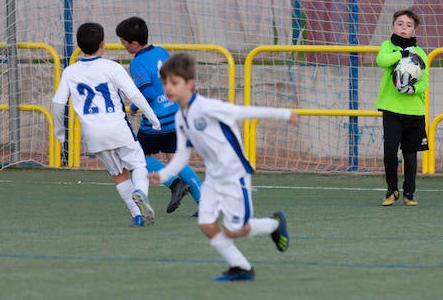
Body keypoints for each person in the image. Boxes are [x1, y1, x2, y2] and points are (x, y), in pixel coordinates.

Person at [148, 53, 298, 281]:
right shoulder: (181, 117)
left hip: (235, 175)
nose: (168, 88)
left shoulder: (207, 107)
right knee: (206, 224)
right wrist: (164, 174)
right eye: (165, 83)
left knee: (235, 230)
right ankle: (241, 267)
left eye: (174, 82)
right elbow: (182, 154)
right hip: (214, 179)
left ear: (190, 84)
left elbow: (243, 112)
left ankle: (273, 225)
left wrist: (284, 114)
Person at [51, 22, 161, 227]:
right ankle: (141, 192)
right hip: (118, 128)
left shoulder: (70, 71)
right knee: (138, 165)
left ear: (80, 45)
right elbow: (134, 94)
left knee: (119, 174)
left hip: (93, 135)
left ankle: (137, 216)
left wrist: (59, 133)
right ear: (103, 44)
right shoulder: (112, 67)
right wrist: (152, 117)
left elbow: (58, 104)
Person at [116, 16, 202, 216]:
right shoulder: (161, 51)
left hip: (157, 121)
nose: (122, 45)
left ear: (134, 43)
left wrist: (137, 105)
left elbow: (149, 94)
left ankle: (175, 184)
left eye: (123, 42)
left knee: (135, 158)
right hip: (176, 114)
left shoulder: (137, 63)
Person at [376, 9, 430, 206]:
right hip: (391, 109)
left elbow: (425, 81)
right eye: (400, 24)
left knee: (410, 153)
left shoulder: (420, 53)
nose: (403, 28)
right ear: (392, 27)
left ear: (414, 30)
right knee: (390, 152)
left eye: (408, 25)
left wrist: (412, 88)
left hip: (414, 111)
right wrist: (401, 53)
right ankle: (392, 191)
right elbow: (382, 61)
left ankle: (409, 193)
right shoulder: (387, 47)